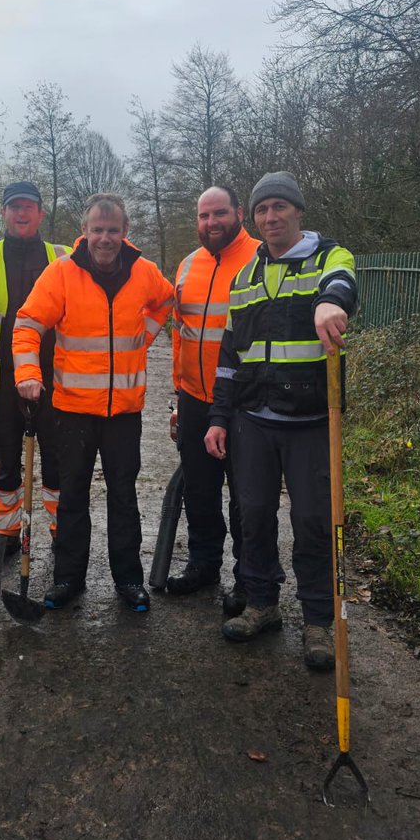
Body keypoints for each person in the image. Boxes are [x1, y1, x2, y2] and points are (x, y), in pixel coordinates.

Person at [204, 171, 356, 670]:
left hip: (313, 419)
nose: (271, 217)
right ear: (255, 217)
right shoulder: (245, 277)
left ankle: (317, 621)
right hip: (253, 420)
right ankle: (262, 603)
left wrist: (331, 302)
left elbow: (342, 282)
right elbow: (230, 357)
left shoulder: (327, 258)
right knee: (253, 515)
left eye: (280, 208)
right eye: (263, 209)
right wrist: (219, 417)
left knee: (313, 521)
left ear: (297, 211)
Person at [13, 193, 174, 612]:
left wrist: (144, 339)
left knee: (124, 496)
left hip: (124, 411)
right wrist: (29, 375)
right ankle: (68, 578)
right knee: (72, 497)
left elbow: (166, 300)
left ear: (125, 232)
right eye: (98, 230)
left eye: (113, 230)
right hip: (71, 409)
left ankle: (129, 581)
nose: (106, 238)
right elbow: (27, 325)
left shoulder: (144, 272)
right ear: (84, 232)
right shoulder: (61, 273)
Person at [0, 181, 70, 554]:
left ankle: (59, 529)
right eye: (14, 207)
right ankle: (7, 535)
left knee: (56, 458)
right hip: (2, 378)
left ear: (41, 213)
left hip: (55, 375)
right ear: (3, 213)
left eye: (29, 207)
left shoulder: (63, 257)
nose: (21, 214)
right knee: (7, 459)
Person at [169, 185, 259, 610]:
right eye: (203, 216)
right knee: (200, 492)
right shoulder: (188, 265)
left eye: (219, 213)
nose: (211, 223)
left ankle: (248, 578)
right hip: (194, 400)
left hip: (246, 403)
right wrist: (178, 393)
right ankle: (204, 565)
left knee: (246, 496)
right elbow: (179, 333)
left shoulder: (264, 259)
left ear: (239, 212)